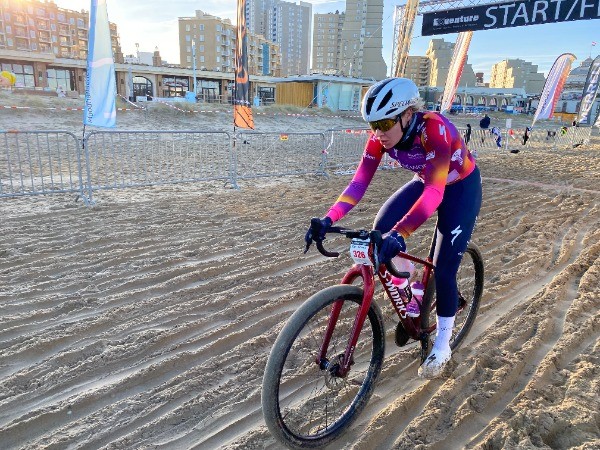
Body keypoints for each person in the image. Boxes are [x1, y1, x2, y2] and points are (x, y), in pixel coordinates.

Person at [304, 78, 482, 379]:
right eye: (373, 124)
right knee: (381, 228)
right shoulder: (379, 139)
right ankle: (411, 298)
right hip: (426, 181)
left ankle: (442, 343)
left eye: (386, 123)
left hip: (459, 189)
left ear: (408, 115)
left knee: (443, 268)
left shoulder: (434, 131)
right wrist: (328, 219)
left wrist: (401, 234)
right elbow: (358, 184)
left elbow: (435, 194)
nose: (379, 133)